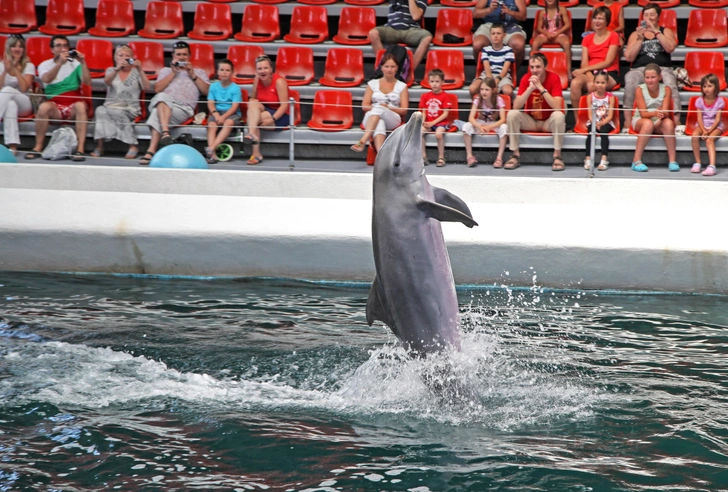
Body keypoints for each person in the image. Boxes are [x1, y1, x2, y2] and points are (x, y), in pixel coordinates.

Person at [139, 41, 209, 165]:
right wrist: (173, 73)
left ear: (189, 56)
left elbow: (207, 91)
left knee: (156, 112)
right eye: (178, 55)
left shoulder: (199, 72)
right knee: (162, 97)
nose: (181, 57)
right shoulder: (165, 71)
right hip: (163, 105)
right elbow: (157, 89)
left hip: (183, 109)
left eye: (184, 54)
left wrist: (192, 75)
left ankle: (151, 150)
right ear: (173, 56)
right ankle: (165, 134)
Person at [24, 35, 91, 162]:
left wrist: (83, 62)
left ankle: (80, 148)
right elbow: (46, 80)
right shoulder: (45, 64)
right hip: (55, 105)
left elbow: (87, 82)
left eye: (65, 46)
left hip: (73, 104)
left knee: (81, 106)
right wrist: (59, 64)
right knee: (43, 107)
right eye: (58, 46)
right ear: (52, 49)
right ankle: (38, 146)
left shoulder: (75, 64)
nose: (62, 48)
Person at [504, 52, 565, 171]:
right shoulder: (526, 78)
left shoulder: (554, 77)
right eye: (532, 67)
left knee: (559, 115)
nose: (534, 70)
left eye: (538, 67)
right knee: (512, 114)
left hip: (548, 122)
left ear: (545, 67)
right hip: (531, 120)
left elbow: (558, 106)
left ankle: (557, 156)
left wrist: (541, 88)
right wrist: (530, 88)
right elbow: (516, 106)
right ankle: (515, 154)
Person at [623, 2, 679, 129]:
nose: (648, 18)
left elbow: (670, 48)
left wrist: (657, 32)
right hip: (640, 69)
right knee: (631, 81)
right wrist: (639, 39)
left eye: (652, 15)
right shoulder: (635, 34)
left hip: (662, 68)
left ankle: (677, 122)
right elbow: (628, 57)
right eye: (646, 15)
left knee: (670, 82)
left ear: (658, 17)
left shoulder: (666, 31)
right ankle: (627, 123)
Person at [91, 44, 150, 159]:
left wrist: (140, 69)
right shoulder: (111, 70)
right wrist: (117, 69)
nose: (124, 58)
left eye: (127, 56)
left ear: (132, 58)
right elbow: (107, 82)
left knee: (118, 113)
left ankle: (132, 145)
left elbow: (147, 87)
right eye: (120, 55)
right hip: (111, 105)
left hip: (129, 108)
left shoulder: (136, 72)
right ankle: (100, 146)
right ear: (115, 58)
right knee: (99, 110)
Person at [351, 53, 409, 154]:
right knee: (379, 122)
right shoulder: (372, 83)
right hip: (370, 117)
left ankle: (363, 140)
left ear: (397, 68)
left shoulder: (402, 86)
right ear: (381, 68)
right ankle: (380, 155)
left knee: (380, 109)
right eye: (386, 66)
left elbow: (404, 110)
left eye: (392, 66)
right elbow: (365, 106)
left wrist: (387, 108)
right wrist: (379, 108)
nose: (389, 69)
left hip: (393, 118)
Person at [630, 63, 678, 172]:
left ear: (659, 77)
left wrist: (661, 115)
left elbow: (665, 111)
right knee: (648, 123)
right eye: (647, 77)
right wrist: (655, 113)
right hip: (641, 120)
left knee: (669, 123)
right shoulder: (639, 90)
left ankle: (672, 161)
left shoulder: (667, 89)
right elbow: (643, 114)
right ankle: (636, 160)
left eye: (653, 77)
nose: (650, 80)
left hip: (658, 119)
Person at [570, 6, 620, 110]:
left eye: (600, 18)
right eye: (595, 18)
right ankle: (578, 121)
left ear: (607, 21)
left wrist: (585, 71)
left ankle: (593, 120)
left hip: (609, 72)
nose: (597, 21)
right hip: (590, 71)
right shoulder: (587, 38)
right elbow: (584, 63)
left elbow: (608, 61)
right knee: (575, 84)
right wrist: (589, 75)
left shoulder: (614, 36)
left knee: (594, 85)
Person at [245, 55, 289, 165]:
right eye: (259, 69)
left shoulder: (279, 81)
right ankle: (252, 134)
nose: (262, 71)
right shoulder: (258, 81)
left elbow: (284, 106)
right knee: (252, 104)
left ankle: (256, 154)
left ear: (271, 70)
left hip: (281, 114)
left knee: (254, 120)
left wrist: (272, 119)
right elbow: (253, 99)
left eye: (265, 68)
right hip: (265, 109)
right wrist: (255, 83)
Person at [368, 0, 432, 73]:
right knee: (373, 33)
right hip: (392, 29)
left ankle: (408, 72)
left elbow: (416, 16)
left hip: (411, 30)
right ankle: (384, 68)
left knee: (427, 37)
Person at [0, 34, 35, 156]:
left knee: (8, 89)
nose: (17, 49)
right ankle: (12, 147)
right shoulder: (1, 65)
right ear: (8, 48)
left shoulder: (29, 66)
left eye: (20, 46)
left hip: (25, 103)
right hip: (6, 102)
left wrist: (15, 69)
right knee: (10, 104)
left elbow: (24, 88)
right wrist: (5, 70)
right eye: (14, 46)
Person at [463, 77, 507, 168]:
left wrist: (489, 128)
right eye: (482, 89)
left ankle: (499, 158)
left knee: (504, 127)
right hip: (481, 123)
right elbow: (471, 118)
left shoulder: (499, 100)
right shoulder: (478, 99)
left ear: (494, 90)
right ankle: (469, 156)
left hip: (493, 123)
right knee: (466, 126)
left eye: (487, 89)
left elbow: (503, 119)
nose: (484, 92)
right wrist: (479, 126)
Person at [472, 0, 527, 70]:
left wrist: (509, 12)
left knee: (518, 45)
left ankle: (511, 74)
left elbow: (523, 16)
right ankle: (485, 73)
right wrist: (490, 9)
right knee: (478, 44)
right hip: (489, 25)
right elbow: (475, 14)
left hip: (510, 25)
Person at [205, 59, 242, 164]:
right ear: (218, 72)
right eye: (222, 70)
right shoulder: (213, 86)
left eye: (227, 70)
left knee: (228, 122)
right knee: (212, 125)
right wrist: (216, 114)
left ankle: (211, 148)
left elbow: (234, 107)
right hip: (216, 112)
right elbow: (210, 103)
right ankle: (213, 155)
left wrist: (223, 117)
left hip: (231, 114)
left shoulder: (235, 88)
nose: (224, 72)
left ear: (232, 72)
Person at [468, 22, 515, 99]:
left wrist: (497, 80)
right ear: (490, 35)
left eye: (498, 33)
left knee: (508, 91)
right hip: (487, 75)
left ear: (504, 35)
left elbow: (504, 70)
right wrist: (491, 82)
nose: (495, 36)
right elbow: (487, 69)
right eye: (493, 34)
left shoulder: (509, 50)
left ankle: (503, 108)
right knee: (472, 88)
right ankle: (477, 107)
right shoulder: (485, 50)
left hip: (502, 76)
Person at [690, 74, 724, 177]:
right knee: (694, 136)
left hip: (715, 126)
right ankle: (697, 162)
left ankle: (712, 166)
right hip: (702, 125)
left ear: (715, 87)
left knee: (709, 140)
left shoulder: (720, 101)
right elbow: (699, 118)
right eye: (704, 86)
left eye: (709, 86)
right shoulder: (699, 101)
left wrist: (708, 132)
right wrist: (704, 129)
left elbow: (717, 120)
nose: (707, 89)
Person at [583, 71, 617, 171]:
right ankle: (588, 158)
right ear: (593, 82)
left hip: (606, 121)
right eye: (597, 82)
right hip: (593, 121)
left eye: (602, 83)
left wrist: (601, 123)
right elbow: (590, 115)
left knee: (604, 132)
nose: (600, 85)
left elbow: (610, 116)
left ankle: (604, 159)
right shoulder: (590, 97)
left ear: (607, 83)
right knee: (590, 132)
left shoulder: (611, 98)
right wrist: (595, 123)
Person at [419, 69, 451, 167]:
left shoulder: (445, 96)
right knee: (419, 132)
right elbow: (424, 110)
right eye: (432, 81)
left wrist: (433, 123)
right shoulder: (425, 96)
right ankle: (423, 157)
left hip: (441, 123)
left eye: (437, 81)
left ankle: (441, 157)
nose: (434, 84)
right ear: (428, 82)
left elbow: (445, 114)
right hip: (429, 122)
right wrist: (423, 121)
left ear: (442, 82)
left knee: (438, 134)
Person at [531, 0, 572, 75]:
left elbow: (567, 25)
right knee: (535, 43)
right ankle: (531, 70)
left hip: (558, 34)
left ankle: (568, 70)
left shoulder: (562, 9)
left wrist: (556, 33)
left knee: (566, 43)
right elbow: (539, 28)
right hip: (546, 34)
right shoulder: (542, 12)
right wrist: (547, 34)